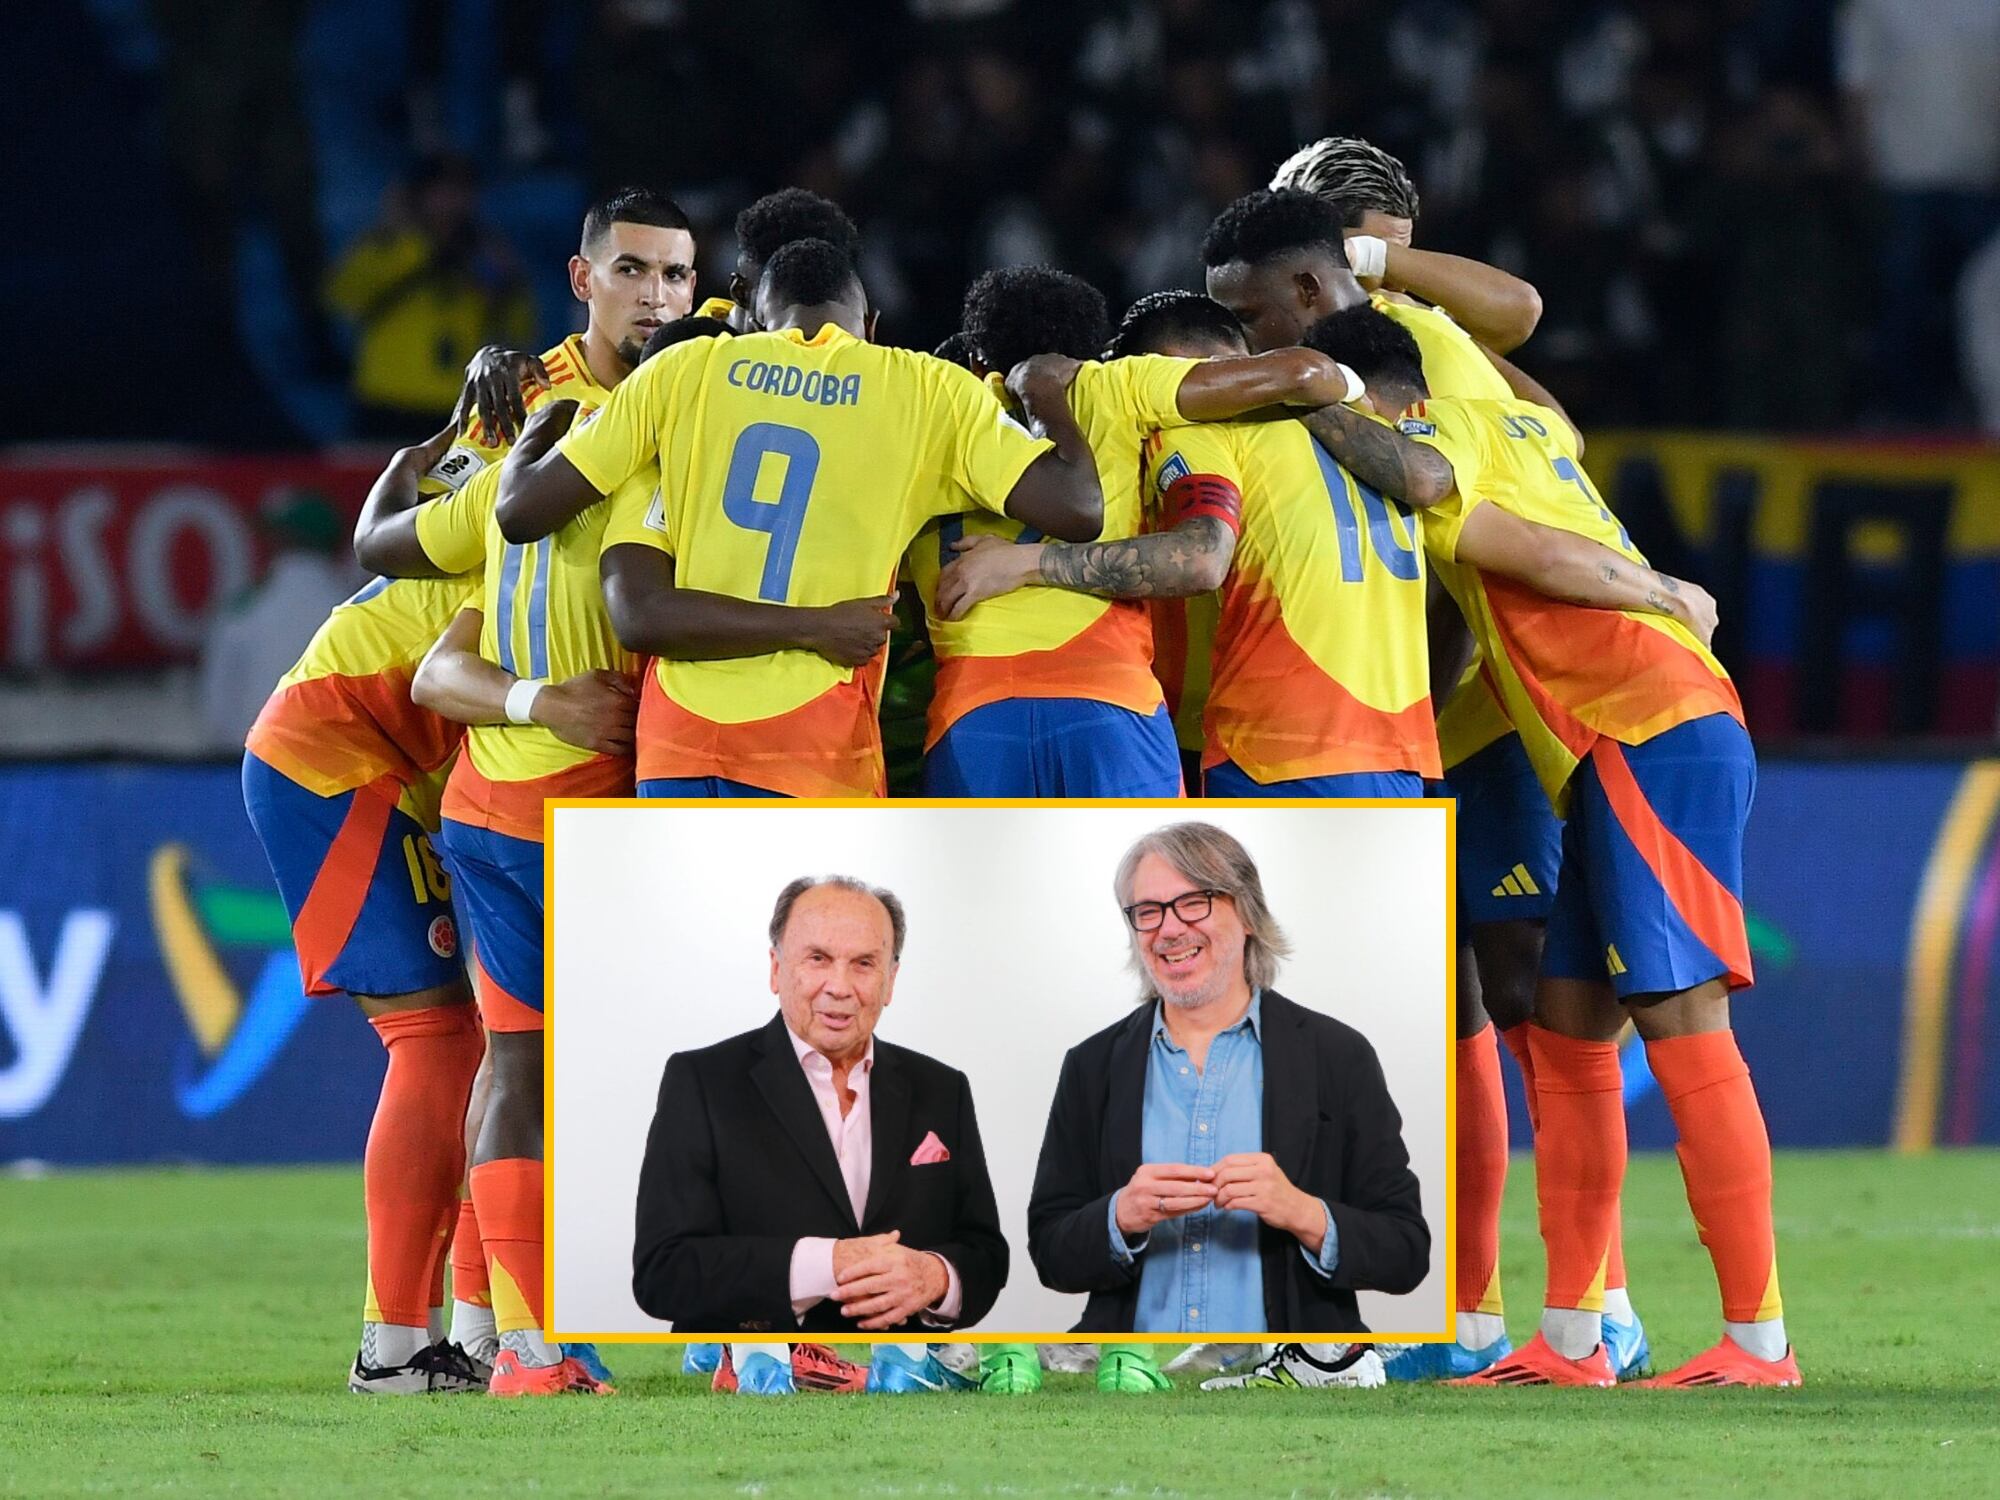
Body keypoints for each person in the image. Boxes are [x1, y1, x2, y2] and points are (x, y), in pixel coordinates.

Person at [1305, 304, 1798, 1389]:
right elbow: (1550, 418)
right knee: (1570, 1038)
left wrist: (1660, 588)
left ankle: (1759, 1342)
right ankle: (1572, 1340)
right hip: (1610, 745)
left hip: (1646, 725)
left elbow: (1526, 546)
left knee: (1684, 1023)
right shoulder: (1517, 425)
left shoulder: (1434, 445)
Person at [1272, 137, 1651, 1381]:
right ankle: (1471, 1309)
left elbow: (1533, 372)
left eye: (1384, 241)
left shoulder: (1429, 336)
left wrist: (1384, 268)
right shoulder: (1329, 359)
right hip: (1402, 713)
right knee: (1447, 1007)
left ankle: (1597, 1301)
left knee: (1528, 989)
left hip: (1480, 709)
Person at [349, 187, 699, 1398]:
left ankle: (521, 1343)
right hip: (564, 809)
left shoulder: (556, 427)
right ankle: (677, 1334)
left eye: (675, 276)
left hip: (493, 801)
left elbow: (416, 576)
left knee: (519, 1070)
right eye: (634, 271)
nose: (656, 295)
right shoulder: (570, 424)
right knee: (580, 1072)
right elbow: (399, 559)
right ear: (582, 277)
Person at [497, 237, 1105, 799]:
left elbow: (521, 511)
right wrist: (1044, 394)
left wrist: (539, 424)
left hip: (677, 740)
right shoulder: (927, 390)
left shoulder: (683, 370)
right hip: (815, 739)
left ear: (759, 323)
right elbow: (1076, 507)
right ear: (870, 326)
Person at [908, 265, 1364, 798]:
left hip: (972, 718)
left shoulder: (931, 420)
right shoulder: (1116, 385)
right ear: (1090, 354)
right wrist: (1359, 392)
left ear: (975, 361)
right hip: (1109, 705)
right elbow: (1305, 374)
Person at [1026, 822, 1430, 1393]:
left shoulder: (1338, 1056)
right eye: (1147, 912)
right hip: (1127, 1387)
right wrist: (1119, 1216)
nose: (1169, 928)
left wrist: (1301, 1211)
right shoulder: (1092, 1066)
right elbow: (1049, 1251)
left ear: (1246, 914)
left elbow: (1407, 1252)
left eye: (1193, 902)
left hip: (1292, 1386)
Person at [632, 876, 1008, 1398]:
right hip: (754, 1396)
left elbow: (986, 1253)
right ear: (776, 968)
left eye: (864, 963)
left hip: (905, 1397)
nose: (839, 986)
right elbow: (663, 1272)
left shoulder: (943, 1089)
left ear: (891, 980)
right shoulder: (702, 1080)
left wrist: (936, 1277)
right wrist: (825, 1265)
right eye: (818, 959)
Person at [325, 155, 537, 442]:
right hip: (386, 402)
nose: (450, 202)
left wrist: (507, 284)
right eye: (439, 190)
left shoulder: (485, 255)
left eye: (460, 190)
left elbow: (520, 331)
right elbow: (342, 298)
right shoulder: (385, 245)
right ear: (417, 196)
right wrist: (414, 244)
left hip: (458, 405)